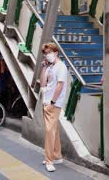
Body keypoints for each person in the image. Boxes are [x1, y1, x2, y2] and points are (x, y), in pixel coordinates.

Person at [40, 43, 68, 172]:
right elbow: (43, 83)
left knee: (49, 132)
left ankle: (49, 160)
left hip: (53, 103)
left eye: (49, 52)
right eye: (45, 53)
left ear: (56, 52)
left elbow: (60, 86)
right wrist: (44, 68)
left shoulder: (61, 67)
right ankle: (57, 156)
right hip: (47, 101)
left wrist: (52, 102)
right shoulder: (51, 67)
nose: (47, 55)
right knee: (54, 131)